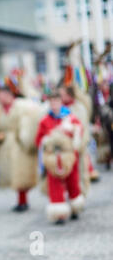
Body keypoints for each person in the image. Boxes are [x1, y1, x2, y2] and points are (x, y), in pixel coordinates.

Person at [0, 75, 42, 212]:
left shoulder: (23, 106)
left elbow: (29, 123)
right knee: (14, 173)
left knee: (22, 172)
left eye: (2, 95)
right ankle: (21, 200)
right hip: (6, 146)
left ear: (9, 94)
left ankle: (23, 200)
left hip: (20, 144)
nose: (0, 98)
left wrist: (25, 137)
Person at [35, 90, 85, 224]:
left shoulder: (69, 117)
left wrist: (71, 129)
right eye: (51, 102)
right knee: (54, 183)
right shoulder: (45, 120)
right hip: (53, 159)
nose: (54, 104)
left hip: (68, 156)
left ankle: (75, 207)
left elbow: (79, 130)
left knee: (73, 181)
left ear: (60, 101)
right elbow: (38, 139)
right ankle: (59, 212)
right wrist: (46, 139)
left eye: (56, 101)